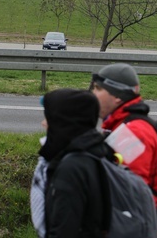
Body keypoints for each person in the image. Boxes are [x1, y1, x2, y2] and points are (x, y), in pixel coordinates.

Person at [91, 63, 157, 238]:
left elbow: (131, 196)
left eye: (98, 89)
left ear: (117, 96)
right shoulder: (122, 126)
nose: (92, 94)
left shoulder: (133, 133)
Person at [30, 88, 108, 237]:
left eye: (48, 118)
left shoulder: (71, 168)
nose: (43, 123)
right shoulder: (94, 153)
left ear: (63, 122)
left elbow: (64, 230)